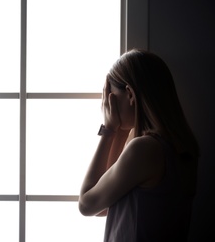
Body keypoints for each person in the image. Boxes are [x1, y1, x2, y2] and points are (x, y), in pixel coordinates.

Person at [78, 49, 199, 241]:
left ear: (130, 95)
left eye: (111, 95)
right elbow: (106, 203)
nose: (107, 104)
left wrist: (110, 130)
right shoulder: (180, 146)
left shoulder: (144, 150)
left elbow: (87, 204)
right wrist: (123, 129)